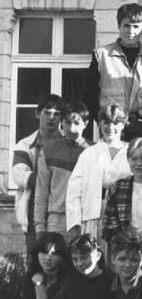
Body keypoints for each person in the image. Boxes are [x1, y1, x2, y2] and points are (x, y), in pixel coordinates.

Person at [85, 3, 142, 140]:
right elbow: (90, 94)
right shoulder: (102, 56)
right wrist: (103, 121)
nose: (130, 31)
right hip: (113, 126)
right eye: (126, 25)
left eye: (136, 26)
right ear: (118, 26)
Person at [66, 103, 132, 242]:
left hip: (123, 217)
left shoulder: (131, 152)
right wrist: (74, 224)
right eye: (106, 122)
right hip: (93, 217)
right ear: (100, 124)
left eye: (116, 123)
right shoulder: (89, 153)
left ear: (123, 125)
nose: (110, 127)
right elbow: (74, 192)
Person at [102, 137, 142, 269]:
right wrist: (124, 250)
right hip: (124, 250)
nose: (139, 163)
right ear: (128, 160)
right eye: (134, 159)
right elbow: (109, 226)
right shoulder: (119, 186)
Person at [12, 94, 63, 255]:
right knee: (35, 256)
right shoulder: (25, 144)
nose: (51, 118)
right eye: (47, 112)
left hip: (61, 208)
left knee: (61, 256)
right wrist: (55, 179)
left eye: (57, 114)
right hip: (33, 209)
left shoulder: (67, 144)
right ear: (37, 114)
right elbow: (20, 176)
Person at [34, 102, 91, 241]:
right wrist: (40, 227)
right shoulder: (48, 152)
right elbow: (42, 192)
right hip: (57, 220)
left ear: (85, 124)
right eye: (67, 122)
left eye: (76, 123)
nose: (71, 128)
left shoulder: (93, 152)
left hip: (85, 219)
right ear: (61, 122)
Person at [37, 234, 112, 299]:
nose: (79, 263)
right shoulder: (73, 280)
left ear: (98, 256)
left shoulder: (110, 280)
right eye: (75, 259)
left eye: (84, 258)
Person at [22, 232, 70, 299]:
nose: (48, 258)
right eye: (44, 252)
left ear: (62, 257)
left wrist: (40, 286)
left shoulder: (67, 279)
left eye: (54, 254)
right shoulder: (32, 277)